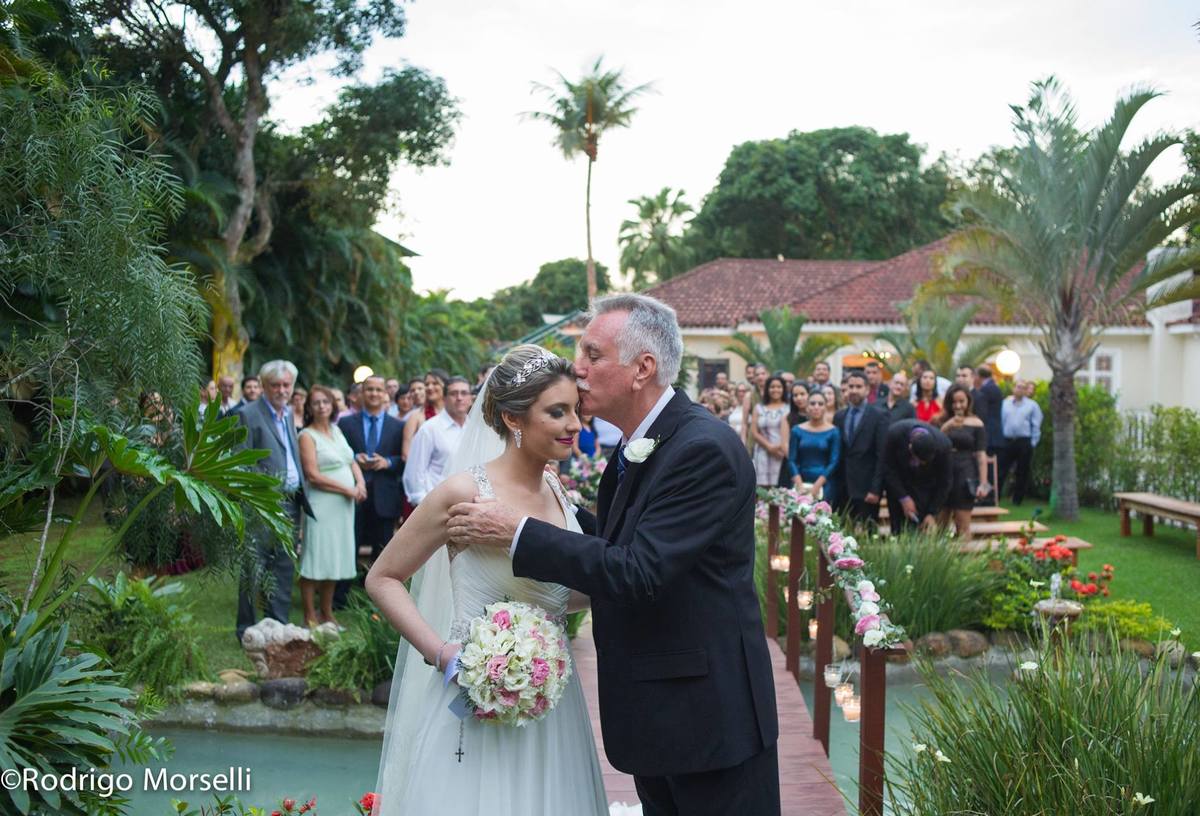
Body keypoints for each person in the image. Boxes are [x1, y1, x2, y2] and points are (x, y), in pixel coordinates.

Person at [445, 295, 780, 814]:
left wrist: (520, 530)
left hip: (709, 722)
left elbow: (640, 572)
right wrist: (561, 511)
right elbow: (632, 544)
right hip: (662, 714)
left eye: (593, 355)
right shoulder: (637, 445)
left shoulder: (701, 449)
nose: (577, 369)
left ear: (642, 368)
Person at [365, 346, 609, 814]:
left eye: (575, 410)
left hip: (552, 702)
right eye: (557, 412)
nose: (575, 424)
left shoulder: (558, 489)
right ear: (514, 419)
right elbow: (383, 577)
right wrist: (441, 653)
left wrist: (614, 586)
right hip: (474, 698)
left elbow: (558, 591)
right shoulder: (464, 492)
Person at [234, 360, 304, 642]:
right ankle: (246, 629)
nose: (282, 390)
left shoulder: (287, 414)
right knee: (254, 566)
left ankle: (277, 625)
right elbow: (240, 461)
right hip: (261, 504)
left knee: (284, 565)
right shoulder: (247, 415)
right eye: (276, 385)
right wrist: (256, 498)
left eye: (287, 385)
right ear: (263, 386)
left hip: (290, 503)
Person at [298, 385, 366, 627]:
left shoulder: (336, 431)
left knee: (335, 557)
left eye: (325, 402)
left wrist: (360, 482)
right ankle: (309, 615)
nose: (321, 406)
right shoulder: (307, 435)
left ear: (332, 405)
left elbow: (351, 460)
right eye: (315, 402)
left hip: (343, 507)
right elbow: (312, 474)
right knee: (315, 557)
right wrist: (347, 489)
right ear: (309, 408)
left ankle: (327, 613)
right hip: (322, 504)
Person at [402, 377, 471, 506]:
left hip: (468, 507)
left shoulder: (474, 429)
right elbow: (414, 472)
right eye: (453, 393)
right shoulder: (429, 428)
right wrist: (424, 505)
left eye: (464, 393)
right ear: (444, 398)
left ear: (470, 398)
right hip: (437, 506)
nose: (459, 397)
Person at [934, 384, 990, 538]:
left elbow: (981, 455)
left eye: (962, 401)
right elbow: (934, 445)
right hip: (943, 472)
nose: (958, 406)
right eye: (954, 402)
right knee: (939, 524)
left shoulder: (976, 423)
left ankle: (964, 558)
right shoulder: (940, 420)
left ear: (968, 401)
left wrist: (983, 483)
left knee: (962, 523)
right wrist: (947, 426)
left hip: (965, 472)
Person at [833, 372, 888, 524]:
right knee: (841, 535)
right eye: (851, 386)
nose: (854, 390)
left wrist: (876, 489)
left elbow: (882, 455)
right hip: (843, 487)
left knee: (869, 533)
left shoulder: (879, 415)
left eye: (858, 386)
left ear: (867, 389)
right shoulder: (839, 416)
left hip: (867, 487)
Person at [883, 419, 953, 533]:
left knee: (923, 528)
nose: (920, 464)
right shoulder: (894, 434)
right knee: (898, 531)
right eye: (919, 460)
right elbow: (888, 469)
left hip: (926, 487)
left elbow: (945, 482)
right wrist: (904, 498)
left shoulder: (944, 446)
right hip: (899, 484)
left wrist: (932, 512)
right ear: (910, 448)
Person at [788, 390, 841, 502]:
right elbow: (792, 459)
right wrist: (799, 484)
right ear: (806, 407)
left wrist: (817, 485)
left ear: (826, 407)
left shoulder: (834, 431)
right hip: (801, 481)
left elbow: (834, 461)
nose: (816, 407)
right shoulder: (796, 430)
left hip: (825, 483)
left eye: (820, 404)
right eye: (812, 404)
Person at [999, 379, 1043, 505]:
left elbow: (1036, 425)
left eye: (1023, 388)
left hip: (1023, 441)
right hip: (1007, 441)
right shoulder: (1005, 403)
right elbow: (1001, 421)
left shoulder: (1032, 405)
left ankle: (1017, 499)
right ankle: (996, 496)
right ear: (1014, 388)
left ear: (1026, 391)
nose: (1020, 389)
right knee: (1001, 470)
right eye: (1018, 387)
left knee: (1022, 471)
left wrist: (1032, 443)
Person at [751, 376, 789, 487]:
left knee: (781, 489)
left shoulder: (789, 408)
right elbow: (754, 432)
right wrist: (769, 447)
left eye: (779, 387)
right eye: (772, 387)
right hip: (762, 453)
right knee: (762, 490)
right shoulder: (758, 408)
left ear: (784, 389)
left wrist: (780, 448)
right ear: (767, 389)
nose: (775, 389)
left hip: (782, 453)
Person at [402, 370, 446, 463]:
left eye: (435, 383)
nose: (430, 387)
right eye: (427, 384)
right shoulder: (415, 416)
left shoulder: (455, 414)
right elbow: (406, 454)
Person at [972, 364, 1005, 456]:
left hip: (990, 436)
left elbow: (982, 412)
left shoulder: (986, 389)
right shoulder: (993, 387)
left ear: (978, 376)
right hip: (994, 435)